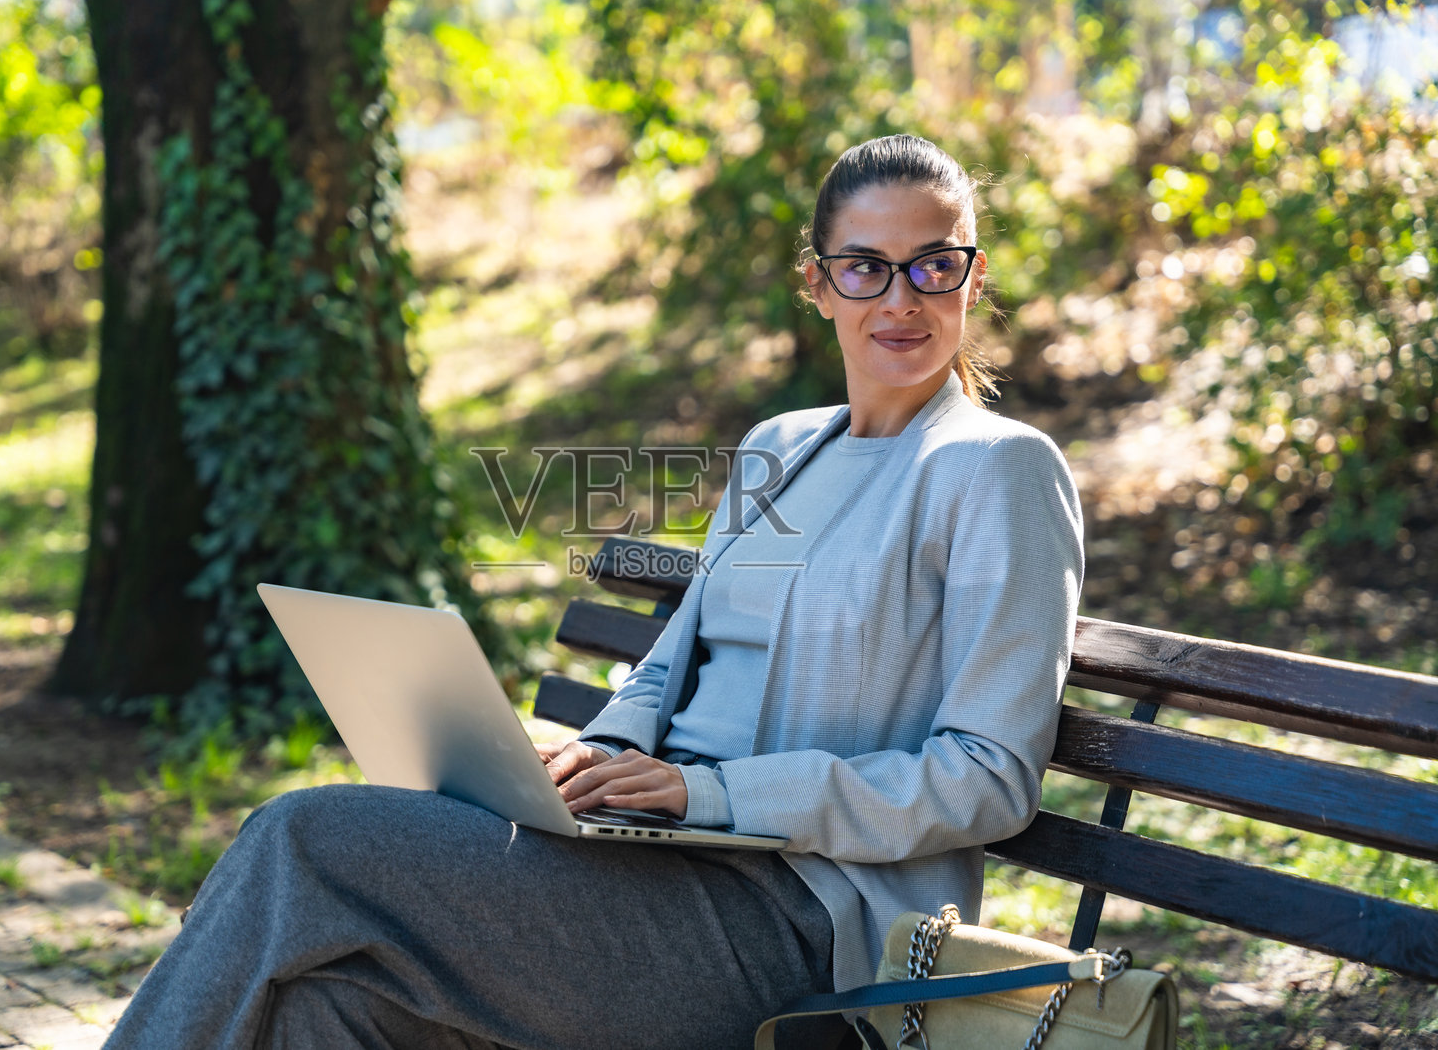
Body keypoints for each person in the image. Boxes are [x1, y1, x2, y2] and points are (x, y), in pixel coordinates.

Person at [102, 133, 1084, 1050]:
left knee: (300, 838)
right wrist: (597, 756)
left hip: (802, 924)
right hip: (646, 863)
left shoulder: (995, 469)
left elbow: (986, 775)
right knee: (328, 1008)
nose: (901, 299)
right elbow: (672, 663)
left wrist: (709, 790)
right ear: (818, 284)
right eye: (866, 266)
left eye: (933, 264)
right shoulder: (782, 447)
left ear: (973, 273)